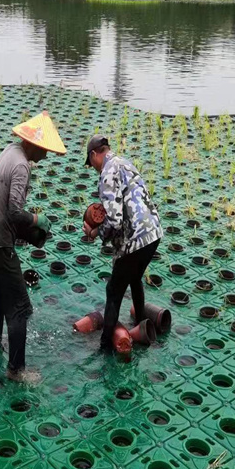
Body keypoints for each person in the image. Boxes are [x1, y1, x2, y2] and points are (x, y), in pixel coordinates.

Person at [0, 111, 66, 384]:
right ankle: (16, 370)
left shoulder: (11, 151)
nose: (46, 155)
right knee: (19, 308)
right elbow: (15, 212)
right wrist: (37, 219)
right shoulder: (21, 166)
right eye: (45, 149)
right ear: (34, 144)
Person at [83, 135, 163, 351]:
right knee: (135, 277)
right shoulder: (125, 162)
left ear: (94, 155)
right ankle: (141, 326)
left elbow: (115, 221)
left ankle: (105, 348)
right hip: (153, 232)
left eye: (91, 165)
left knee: (113, 290)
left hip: (135, 238)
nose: (93, 169)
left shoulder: (107, 173)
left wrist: (95, 231)